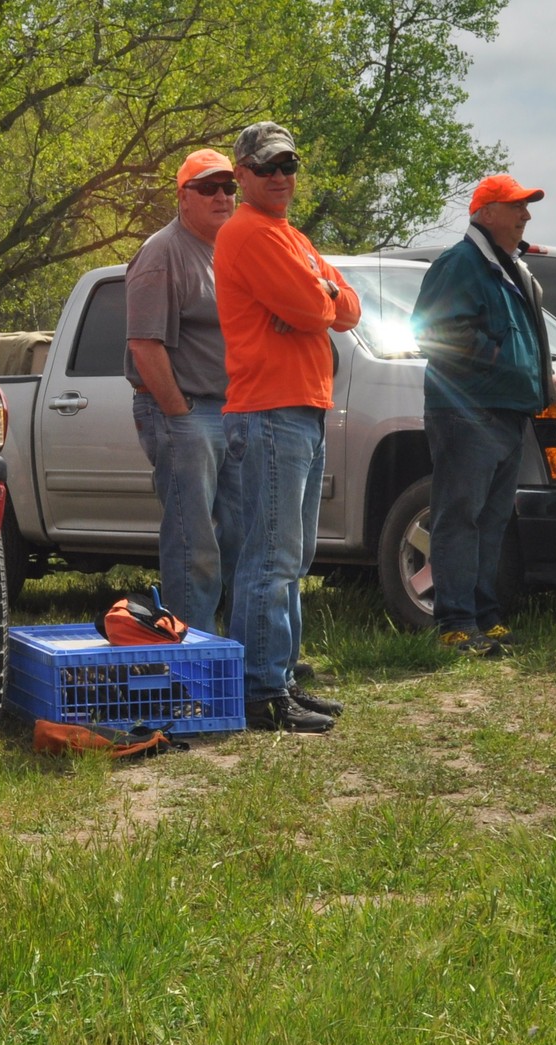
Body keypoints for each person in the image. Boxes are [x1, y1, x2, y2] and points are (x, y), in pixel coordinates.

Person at [214, 121, 361, 733]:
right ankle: (260, 691)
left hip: (300, 409)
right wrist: (314, 300)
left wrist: (317, 296)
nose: (280, 177)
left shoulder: (289, 236)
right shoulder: (248, 232)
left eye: (288, 166)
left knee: (292, 559)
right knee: (269, 559)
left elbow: (345, 310)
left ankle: (283, 677)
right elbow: (312, 307)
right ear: (242, 175)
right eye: (266, 167)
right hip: (271, 413)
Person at [411, 174, 556, 657]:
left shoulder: (507, 266)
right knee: (459, 517)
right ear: (485, 213)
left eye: (526, 207)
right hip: (466, 411)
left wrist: (543, 381)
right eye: (516, 207)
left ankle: (484, 618)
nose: (525, 216)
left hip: (506, 411)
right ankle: (454, 624)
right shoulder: (460, 264)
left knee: (490, 520)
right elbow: (432, 335)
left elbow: (514, 339)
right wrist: (507, 368)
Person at [125, 148, 241, 631]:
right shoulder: (162, 252)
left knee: (242, 534)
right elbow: (143, 344)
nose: (221, 196)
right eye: (207, 187)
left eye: (228, 187)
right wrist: (181, 413)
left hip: (231, 411)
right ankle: (192, 657)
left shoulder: (227, 249)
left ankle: (239, 655)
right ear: (183, 197)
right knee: (195, 542)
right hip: (184, 412)